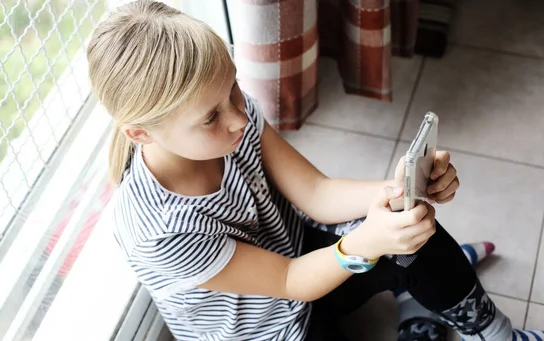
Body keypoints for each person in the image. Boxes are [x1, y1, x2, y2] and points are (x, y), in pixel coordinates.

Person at [86, 1, 543, 340]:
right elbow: (289, 283)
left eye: (233, 88)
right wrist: (366, 243)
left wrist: (397, 190)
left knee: (409, 227)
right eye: (211, 117)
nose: (240, 118)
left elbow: (318, 192)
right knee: (386, 240)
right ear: (140, 133)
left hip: (300, 260)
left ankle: (491, 332)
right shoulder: (158, 231)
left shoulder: (229, 118)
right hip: (269, 329)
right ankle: (416, 295)